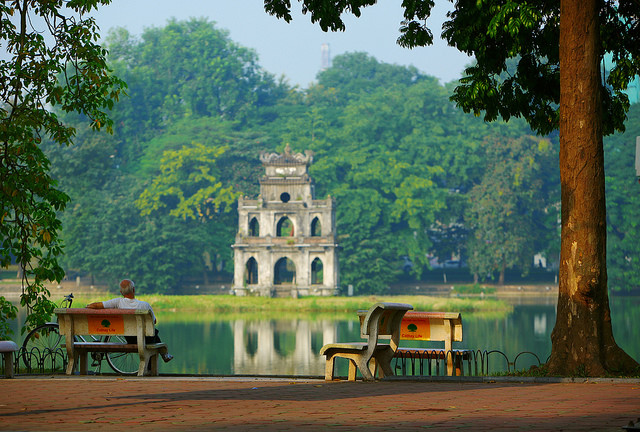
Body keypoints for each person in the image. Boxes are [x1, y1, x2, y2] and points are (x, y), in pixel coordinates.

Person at [87, 279, 173, 362]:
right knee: (154, 335)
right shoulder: (145, 305)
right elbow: (154, 322)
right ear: (134, 289)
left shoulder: (118, 302)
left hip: (130, 339)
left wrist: (88, 306)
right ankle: (163, 356)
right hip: (145, 339)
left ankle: (161, 358)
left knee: (153, 336)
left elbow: (98, 305)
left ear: (121, 292)